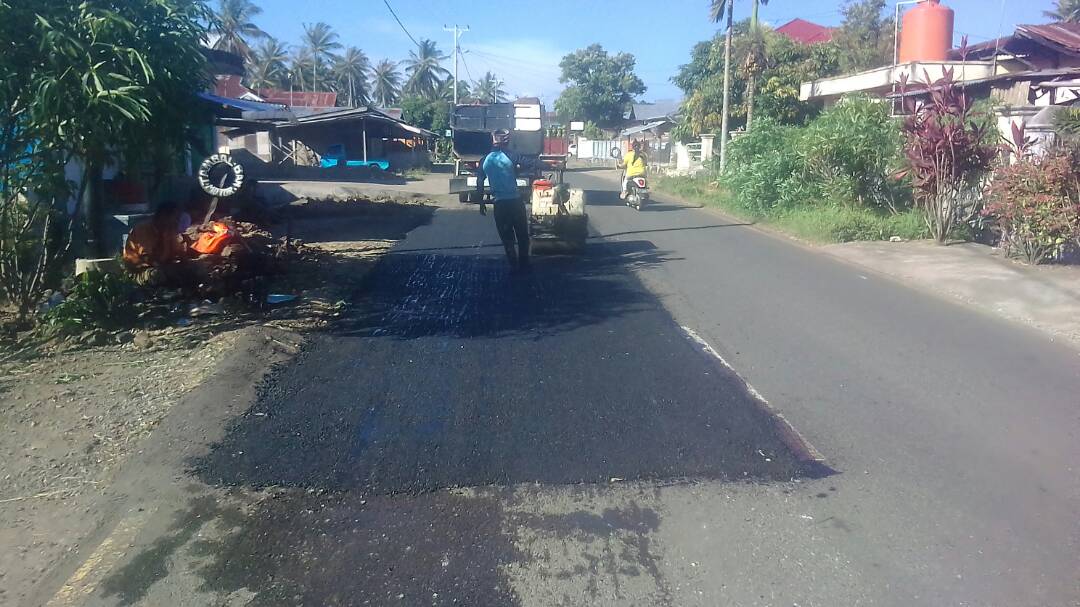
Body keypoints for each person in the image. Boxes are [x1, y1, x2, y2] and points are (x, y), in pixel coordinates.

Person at [475, 129, 537, 271]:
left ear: (492, 140)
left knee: (507, 237)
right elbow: (530, 163)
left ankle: (513, 265)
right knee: (522, 235)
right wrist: (548, 165)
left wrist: (481, 202)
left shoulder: (485, 160)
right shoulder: (511, 156)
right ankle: (524, 264)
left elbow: (479, 183)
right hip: (515, 202)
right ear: (506, 141)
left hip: (500, 205)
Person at [122, 202, 192, 287]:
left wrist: (188, 266)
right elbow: (149, 259)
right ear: (163, 216)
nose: (176, 221)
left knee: (195, 269)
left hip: (164, 268)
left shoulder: (169, 231)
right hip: (141, 271)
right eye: (175, 217)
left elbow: (179, 253)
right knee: (158, 275)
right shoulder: (142, 230)